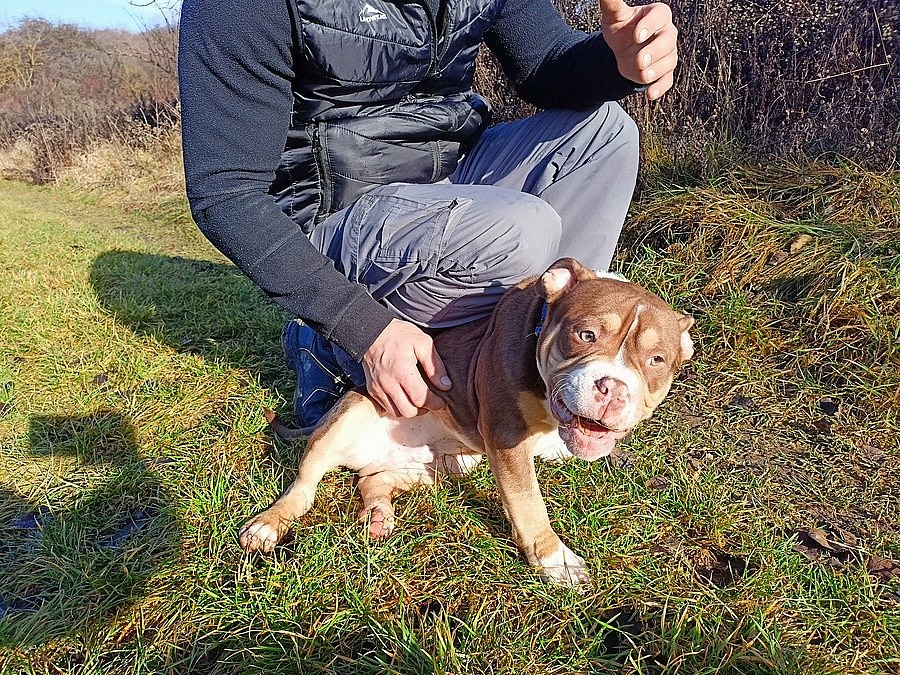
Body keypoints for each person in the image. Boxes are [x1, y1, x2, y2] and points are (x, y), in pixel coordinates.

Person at [178, 0, 678, 433]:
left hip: (453, 175)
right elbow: (225, 193)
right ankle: (330, 346)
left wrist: (614, 61)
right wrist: (360, 327)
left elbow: (546, 66)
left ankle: (560, 376)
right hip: (334, 216)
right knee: (522, 231)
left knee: (607, 135)